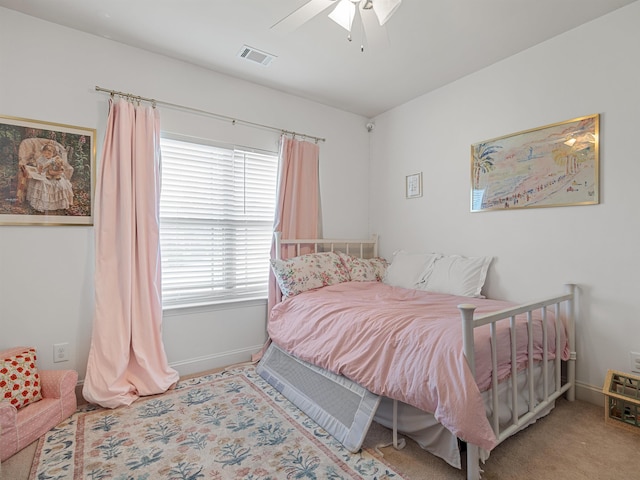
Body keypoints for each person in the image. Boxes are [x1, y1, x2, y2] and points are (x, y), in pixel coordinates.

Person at [25, 142, 74, 212]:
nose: (46, 155)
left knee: (59, 184)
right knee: (40, 182)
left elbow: (60, 168)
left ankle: (56, 204)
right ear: (42, 152)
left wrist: (57, 172)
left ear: (53, 153)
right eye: (45, 153)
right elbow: (39, 168)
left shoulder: (54, 160)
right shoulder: (41, 159)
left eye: (49, 154)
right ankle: (40, 202)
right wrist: (38, 170)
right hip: (44, 174)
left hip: (55, 174)